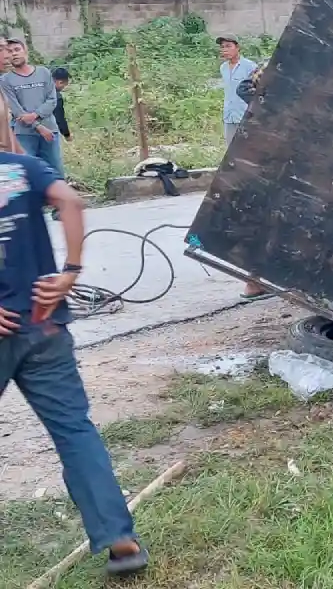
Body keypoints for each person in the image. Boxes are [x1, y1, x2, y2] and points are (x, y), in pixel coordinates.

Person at [0, 148, 149, 576]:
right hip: (42, 325)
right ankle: (120, 539)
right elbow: (71, 200)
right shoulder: (25, 168)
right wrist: (70, 271)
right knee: (74, 431)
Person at [217, 35, 266, 300]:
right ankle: (255, 278)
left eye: (228, 45)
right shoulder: (226, 70)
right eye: (222, 47)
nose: (225, 50)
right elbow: (243, 90)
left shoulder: (251, 66)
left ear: (238, 47)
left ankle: (255, 279)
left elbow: (246, 88)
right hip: (237, 120)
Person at [1, 38, 64, 179]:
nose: (14, 54)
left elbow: (52, 100)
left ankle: (56, 200)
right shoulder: (6, 80)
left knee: (55, 170)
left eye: (17, 50)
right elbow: (16, 110)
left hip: (50, 129)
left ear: (25, 51)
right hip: (24, 134)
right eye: (10, 51)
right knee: (28, 172)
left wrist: (35, 115)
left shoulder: (44, 72)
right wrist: (38, 127)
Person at [52, 67, 73, 141]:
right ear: (60, 82)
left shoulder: (39, 89)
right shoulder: (56, 97)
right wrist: (67, 134)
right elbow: (59, 118)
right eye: (64, 85)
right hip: (48, 131)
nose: (63, 88)